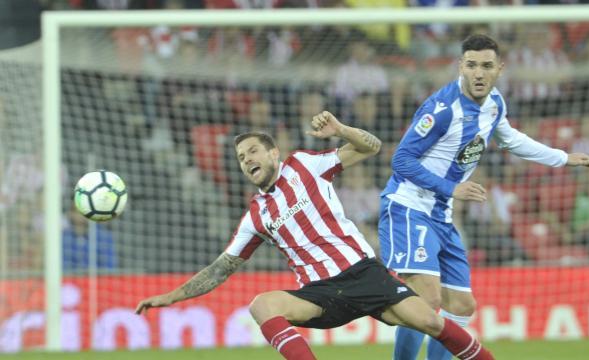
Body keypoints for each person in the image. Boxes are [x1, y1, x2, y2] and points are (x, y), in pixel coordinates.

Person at [136, 111, 495, 360]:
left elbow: (371, 147)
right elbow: (220, 268)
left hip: (364, 274)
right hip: (321, 294)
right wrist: (171, 297)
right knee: (263, 304)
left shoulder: (305, 164)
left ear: (274, 153)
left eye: (253, 152)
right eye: (241, 158)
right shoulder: (255, 216)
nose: (246, 160)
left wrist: (341, 129)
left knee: (432, 321)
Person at [379, 34, 589, 360]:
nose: (478, 73)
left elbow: (511, 139)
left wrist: (563, 157)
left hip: (441, 214)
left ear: (499, 69)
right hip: (409, 206)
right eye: (471, 65)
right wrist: (450, 188)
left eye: (486, 66)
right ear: (460, 67)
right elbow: (401, 160)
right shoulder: (442, 109)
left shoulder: (495, 103)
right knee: (426, 298)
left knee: (461, 305)